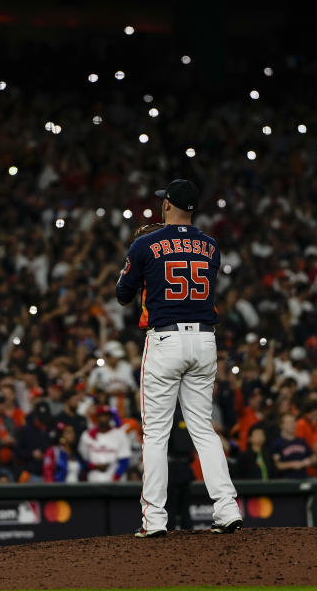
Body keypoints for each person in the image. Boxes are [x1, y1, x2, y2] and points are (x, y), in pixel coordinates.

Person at [116, 179, 242, 537]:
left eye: (162, 201)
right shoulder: (211, 246)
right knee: (203, 428)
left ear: (168, 204)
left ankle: (155, 520)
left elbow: (123, 294)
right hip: (204, 342)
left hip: (166, 339)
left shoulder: (146, 244)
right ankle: (227, 508)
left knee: (156, 434)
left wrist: (135, 257)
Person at [78, 405, 131, 484]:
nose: (105, 418)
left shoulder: (120, 434)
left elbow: (124, 461)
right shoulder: (87, 435)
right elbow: (82, 459)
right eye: (102, 415)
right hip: (93, 480)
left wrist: (115, 478)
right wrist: (94, 466)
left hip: (115, 482)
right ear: (98, 417)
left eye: (107, 415)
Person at [269, 413, 315, 479]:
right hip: (286, 481)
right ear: (282, 425)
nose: (292, 425)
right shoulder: (276, 444)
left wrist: (308, 461)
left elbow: (314, 457)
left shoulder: (302, 441)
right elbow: (276, 465)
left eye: (293, 422)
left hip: (303, 479)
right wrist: (292, 464)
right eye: (288, 422)